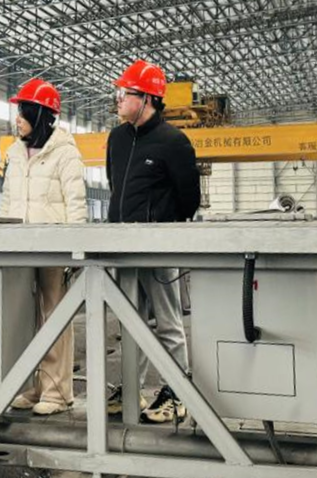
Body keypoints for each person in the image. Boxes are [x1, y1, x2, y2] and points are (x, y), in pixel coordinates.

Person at [105, 59, 201, 424]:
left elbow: (189, 199)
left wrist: (162, 227)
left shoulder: (173, 142)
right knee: (131, 321)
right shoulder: (117, 139)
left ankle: (177, 393)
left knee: (168, 322)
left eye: (124, 93)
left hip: (158, 248)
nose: (118, 99)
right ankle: (133, 388)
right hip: (124, 247)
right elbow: (116, 186)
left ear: (146, 98)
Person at [0, 78, 86, 415]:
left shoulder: (65, 152)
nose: (17, 119)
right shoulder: (15, 152)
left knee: (54, 318)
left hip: (53, 249)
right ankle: (32, 386)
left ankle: (57, 392)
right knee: (24, 319)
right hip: (20, 248)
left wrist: (75, 248)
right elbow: (7, 202)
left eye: (23, 112)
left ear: (39, 115)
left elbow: (76, 203)